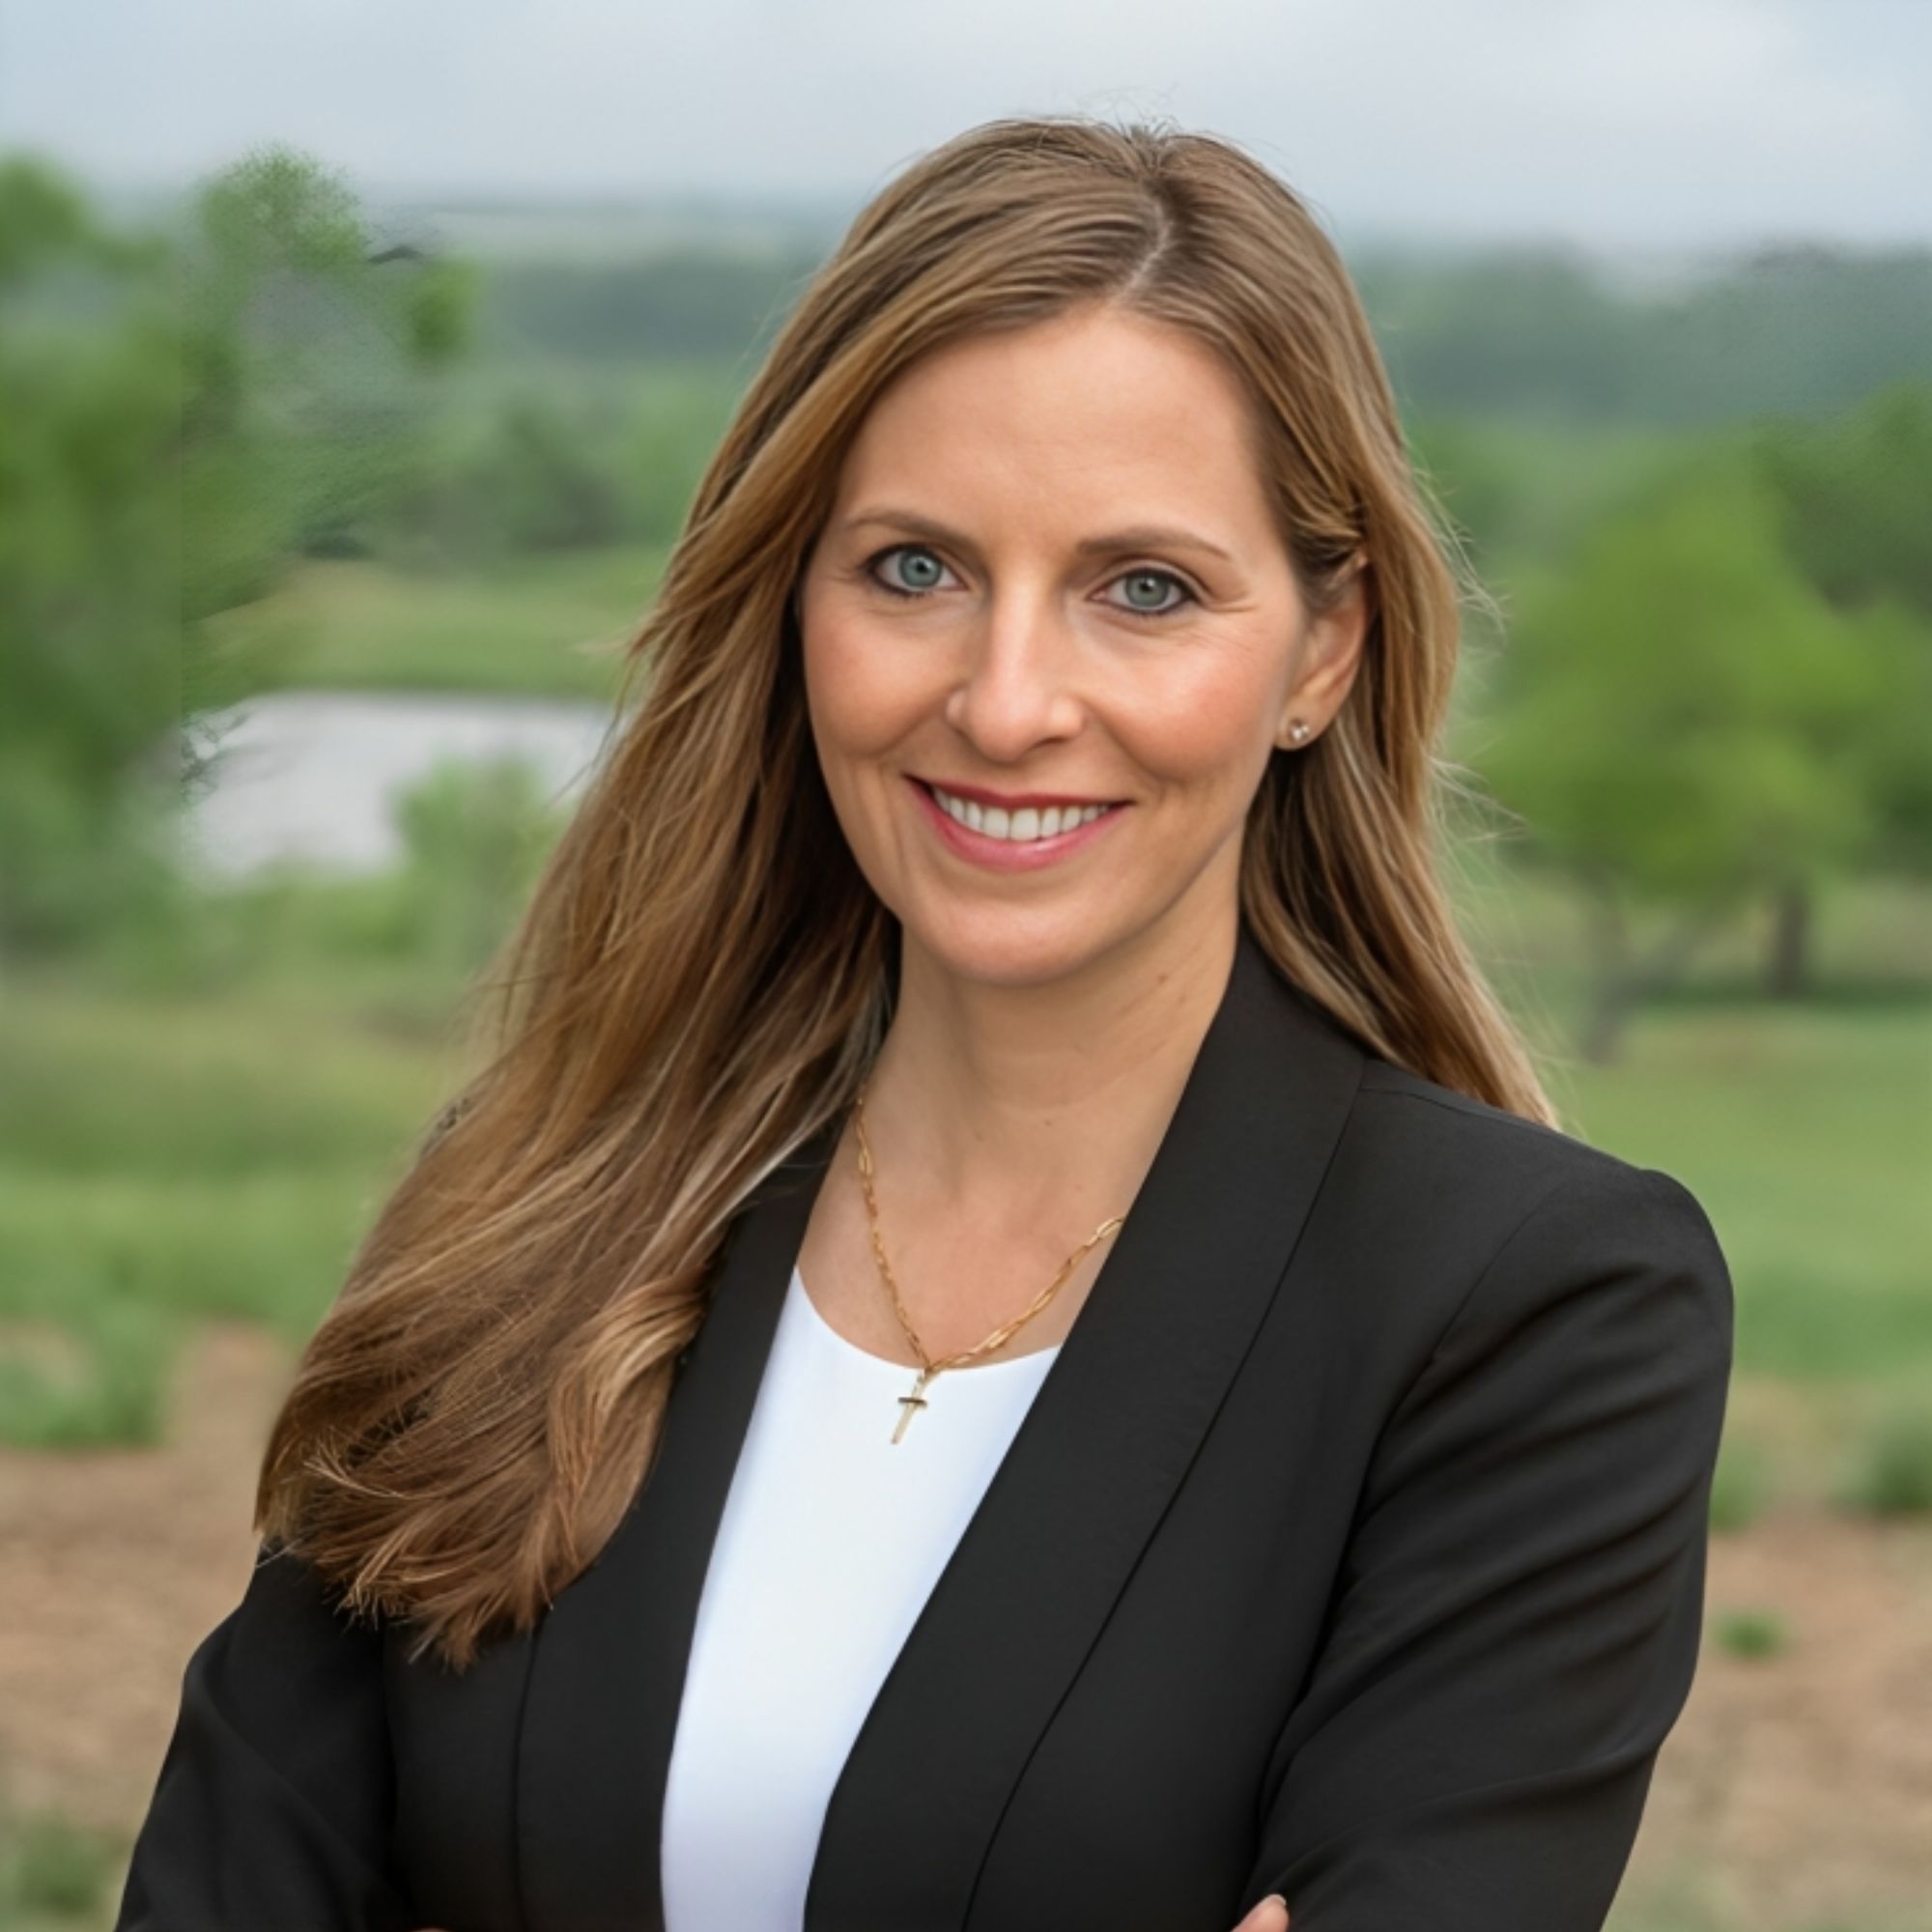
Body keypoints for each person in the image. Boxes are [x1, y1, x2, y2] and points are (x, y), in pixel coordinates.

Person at [114, 114, 1734, 1932]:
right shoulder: (537, 1206)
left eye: (1145, 589)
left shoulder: (1528, 1319)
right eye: (913, 569)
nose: (1007, 698)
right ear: (792, 600)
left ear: (1323, 653)